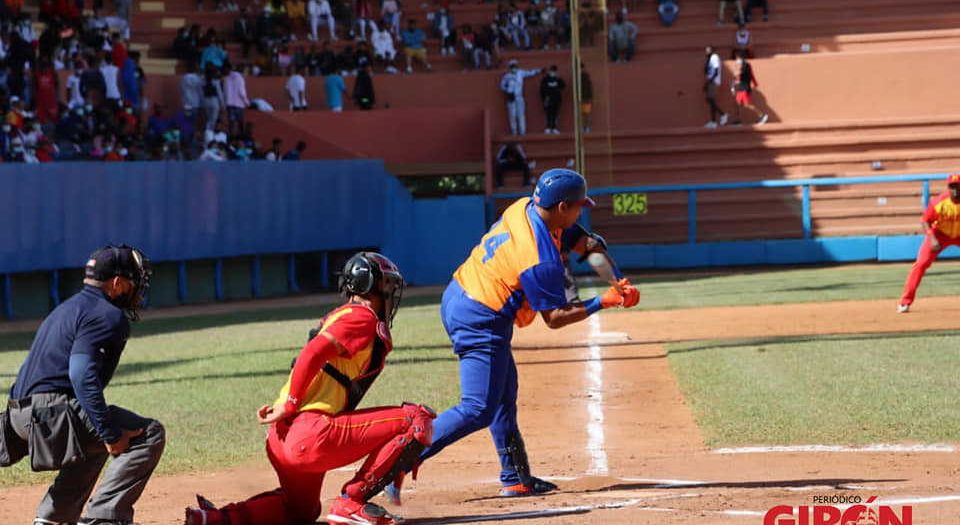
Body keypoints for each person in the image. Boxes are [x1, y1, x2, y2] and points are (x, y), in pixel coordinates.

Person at [385, 170, 639, 504]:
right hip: (480, 316)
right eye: (578, 206)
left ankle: (516, 478)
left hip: (464, 296)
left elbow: (588, 245)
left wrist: (616, 280)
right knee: (478, 407)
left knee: (504, 393)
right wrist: (603, 301)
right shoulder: (539, 257)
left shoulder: (526, 207)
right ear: (562, 206)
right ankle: (398, 460)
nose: (582, 211)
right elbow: (556, 318)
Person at [184, 252, 436, 525]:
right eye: (387, 284)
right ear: (368, 285)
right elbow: (311, 353)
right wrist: (290, 403)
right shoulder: (361, 317)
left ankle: (214, 519)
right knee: (415, 419)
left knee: (300, 512)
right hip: (309, 434)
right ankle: (351, 503)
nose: (390, 292)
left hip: (282, 439)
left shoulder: (342, 316)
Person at [3, 245, 164, 525]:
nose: (136, 289)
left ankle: (54, 519)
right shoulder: (108, 315)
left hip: (17, 414)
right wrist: (111, 434)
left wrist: (104, 432)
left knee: (96, 436)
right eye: (133, 281)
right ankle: (104, 519)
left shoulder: (66, 308)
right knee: (147, 434)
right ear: (116, 283)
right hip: (50, 414)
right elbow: (81, 375)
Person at [898, 174, 960, 313]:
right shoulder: (938, 202)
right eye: (952, 186)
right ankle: (905, 302)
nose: (956, 190)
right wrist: (932, 238)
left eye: (958, 186)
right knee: (921, 264)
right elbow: (925, 220)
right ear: (948, 188)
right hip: (940, 234)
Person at [500, 59, 541, 137]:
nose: (514, 68)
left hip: (519, 97)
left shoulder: (520, 73)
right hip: (511, 97)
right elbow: (502, 86)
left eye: (515, 66)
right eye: (512, 67)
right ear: (510, 67)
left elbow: (530, 73)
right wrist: (508, 91)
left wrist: (538, 71)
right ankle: (514, 132)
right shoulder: (507, 76)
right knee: (512, 115)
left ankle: (522, 132)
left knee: (521, 114)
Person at [731, 55, 768, 125]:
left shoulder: (745, 68)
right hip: (741, 88)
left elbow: (737, 74)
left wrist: (735, 68)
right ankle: (738, 120)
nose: (737, 61)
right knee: (737, 104)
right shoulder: (744, 67)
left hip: (744, 89)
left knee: (747, 104)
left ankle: (762, 116)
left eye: (738, 59)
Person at [223, 62, 250, 136]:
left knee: (231, 123)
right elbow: (241, 92)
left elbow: (225, 92)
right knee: (240, 122)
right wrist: (247, 102)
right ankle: (241, 136)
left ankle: (231, 137)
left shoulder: (226, 77)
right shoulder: (240, 78)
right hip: (238, 104)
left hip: (229, 104)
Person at [704, 45, 728, 128]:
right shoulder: (711, 58)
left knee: (710, 100)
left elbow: (716, 70)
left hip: (713, 81)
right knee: (711, 101)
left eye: (708, 50)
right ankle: (713, 122)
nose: (706, 52)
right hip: (712, 81)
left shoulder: (714, 57)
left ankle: (723, 114)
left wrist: (710, 81)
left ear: (712, 50)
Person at [540, 65, 565, 134]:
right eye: (552, 71)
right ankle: (548, 127)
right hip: (548, 99)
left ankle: (554, 128)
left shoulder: (557, 79)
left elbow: (563, 85)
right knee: (548, 114)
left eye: (554, 71)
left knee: (555, 114)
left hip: (556, 100)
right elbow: (542, 90)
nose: (553, 72)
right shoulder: (545, 79)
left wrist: (558, 78)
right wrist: (544, 98)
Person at [202, 66, 225, 131]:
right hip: (214, 101)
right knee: (214, 119)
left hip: (206, 101)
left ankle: (207, 132)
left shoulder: (203, 82)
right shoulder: (216, 82)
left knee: (208, 119)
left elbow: (201, 93)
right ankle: (211, 133)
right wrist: (222, 104)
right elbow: (219, 94)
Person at [580, 63, 593, 133]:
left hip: (586, 98)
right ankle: (582, 127)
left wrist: (590, 97)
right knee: (581, 113)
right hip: (580, 98)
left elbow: (589, 87)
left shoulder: (586, 76)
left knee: (586, 113)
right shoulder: (576, 77)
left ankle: (586, 127)